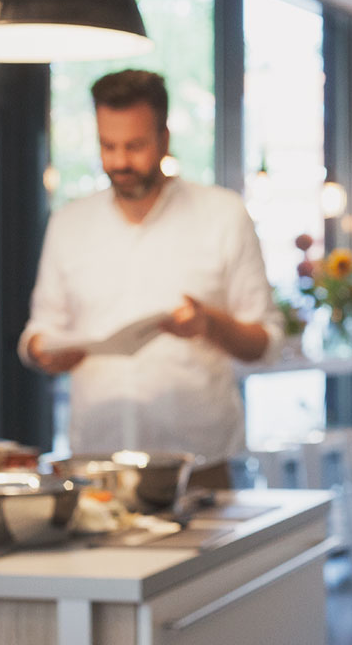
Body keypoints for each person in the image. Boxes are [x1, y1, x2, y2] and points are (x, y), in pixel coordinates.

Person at [19, 69, 282, 475]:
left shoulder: (223, 215)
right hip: (94, 464)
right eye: (109, 146)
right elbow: (39, 332)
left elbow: (266, 344)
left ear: (164, 138)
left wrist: (209, 323)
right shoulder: (69, 224)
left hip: (199, 467)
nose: (120, 161)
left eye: (136, 146)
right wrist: (45, 352)